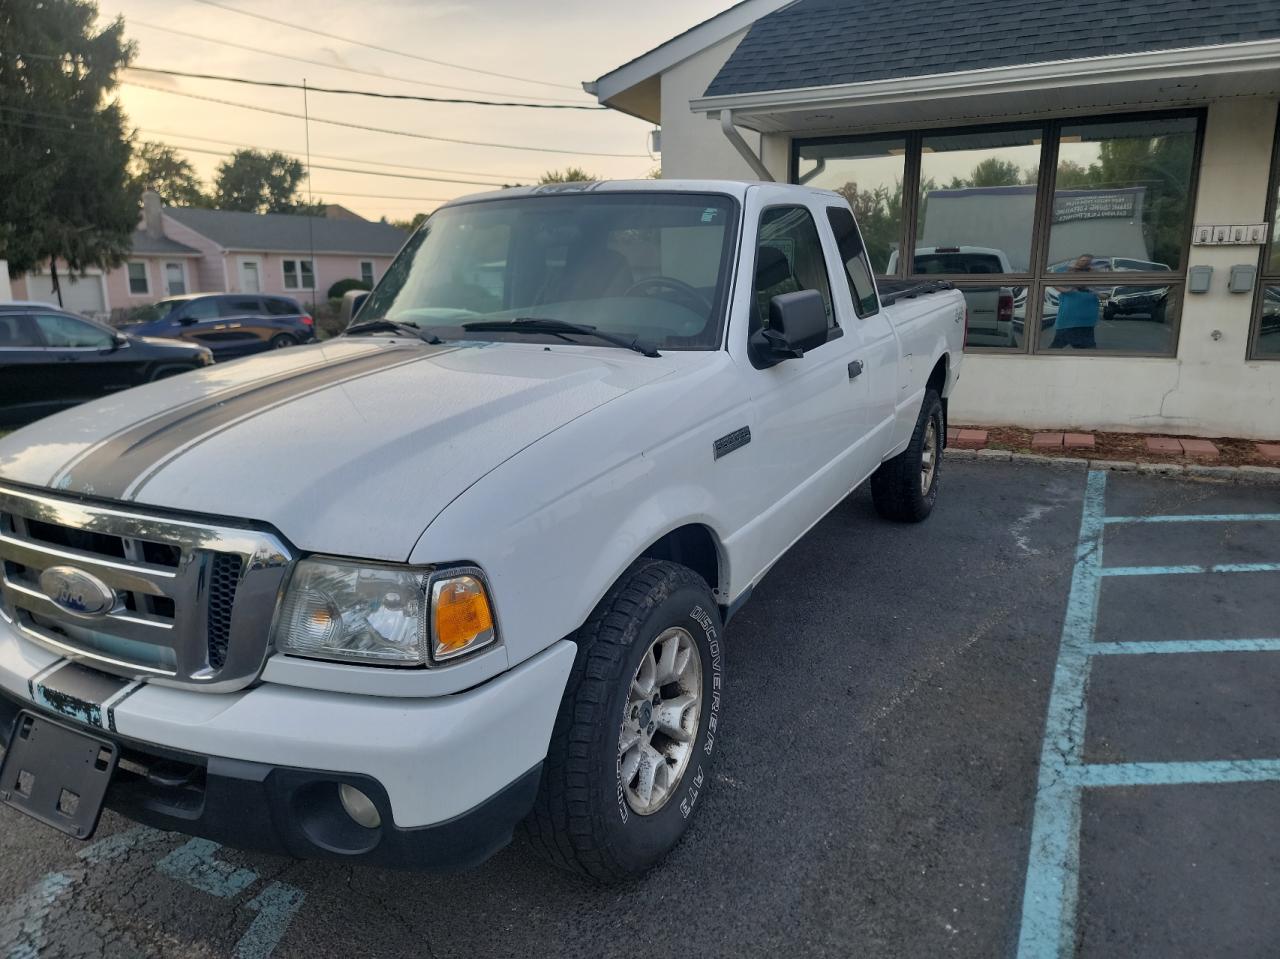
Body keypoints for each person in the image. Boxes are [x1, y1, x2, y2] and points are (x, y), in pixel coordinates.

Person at [1049, 254, 1101, 349]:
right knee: (1057, 346)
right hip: (1069, 321)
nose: (1085, 263)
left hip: (1086, 322)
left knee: (1088, 349)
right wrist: (1064, 290)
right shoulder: (1068, 273)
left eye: (1088, 261)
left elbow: (1103, 287)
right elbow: (1050, 280)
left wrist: (1096, 292)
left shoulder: (1092, 277)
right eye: (1083, 260)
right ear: (1078, 261)